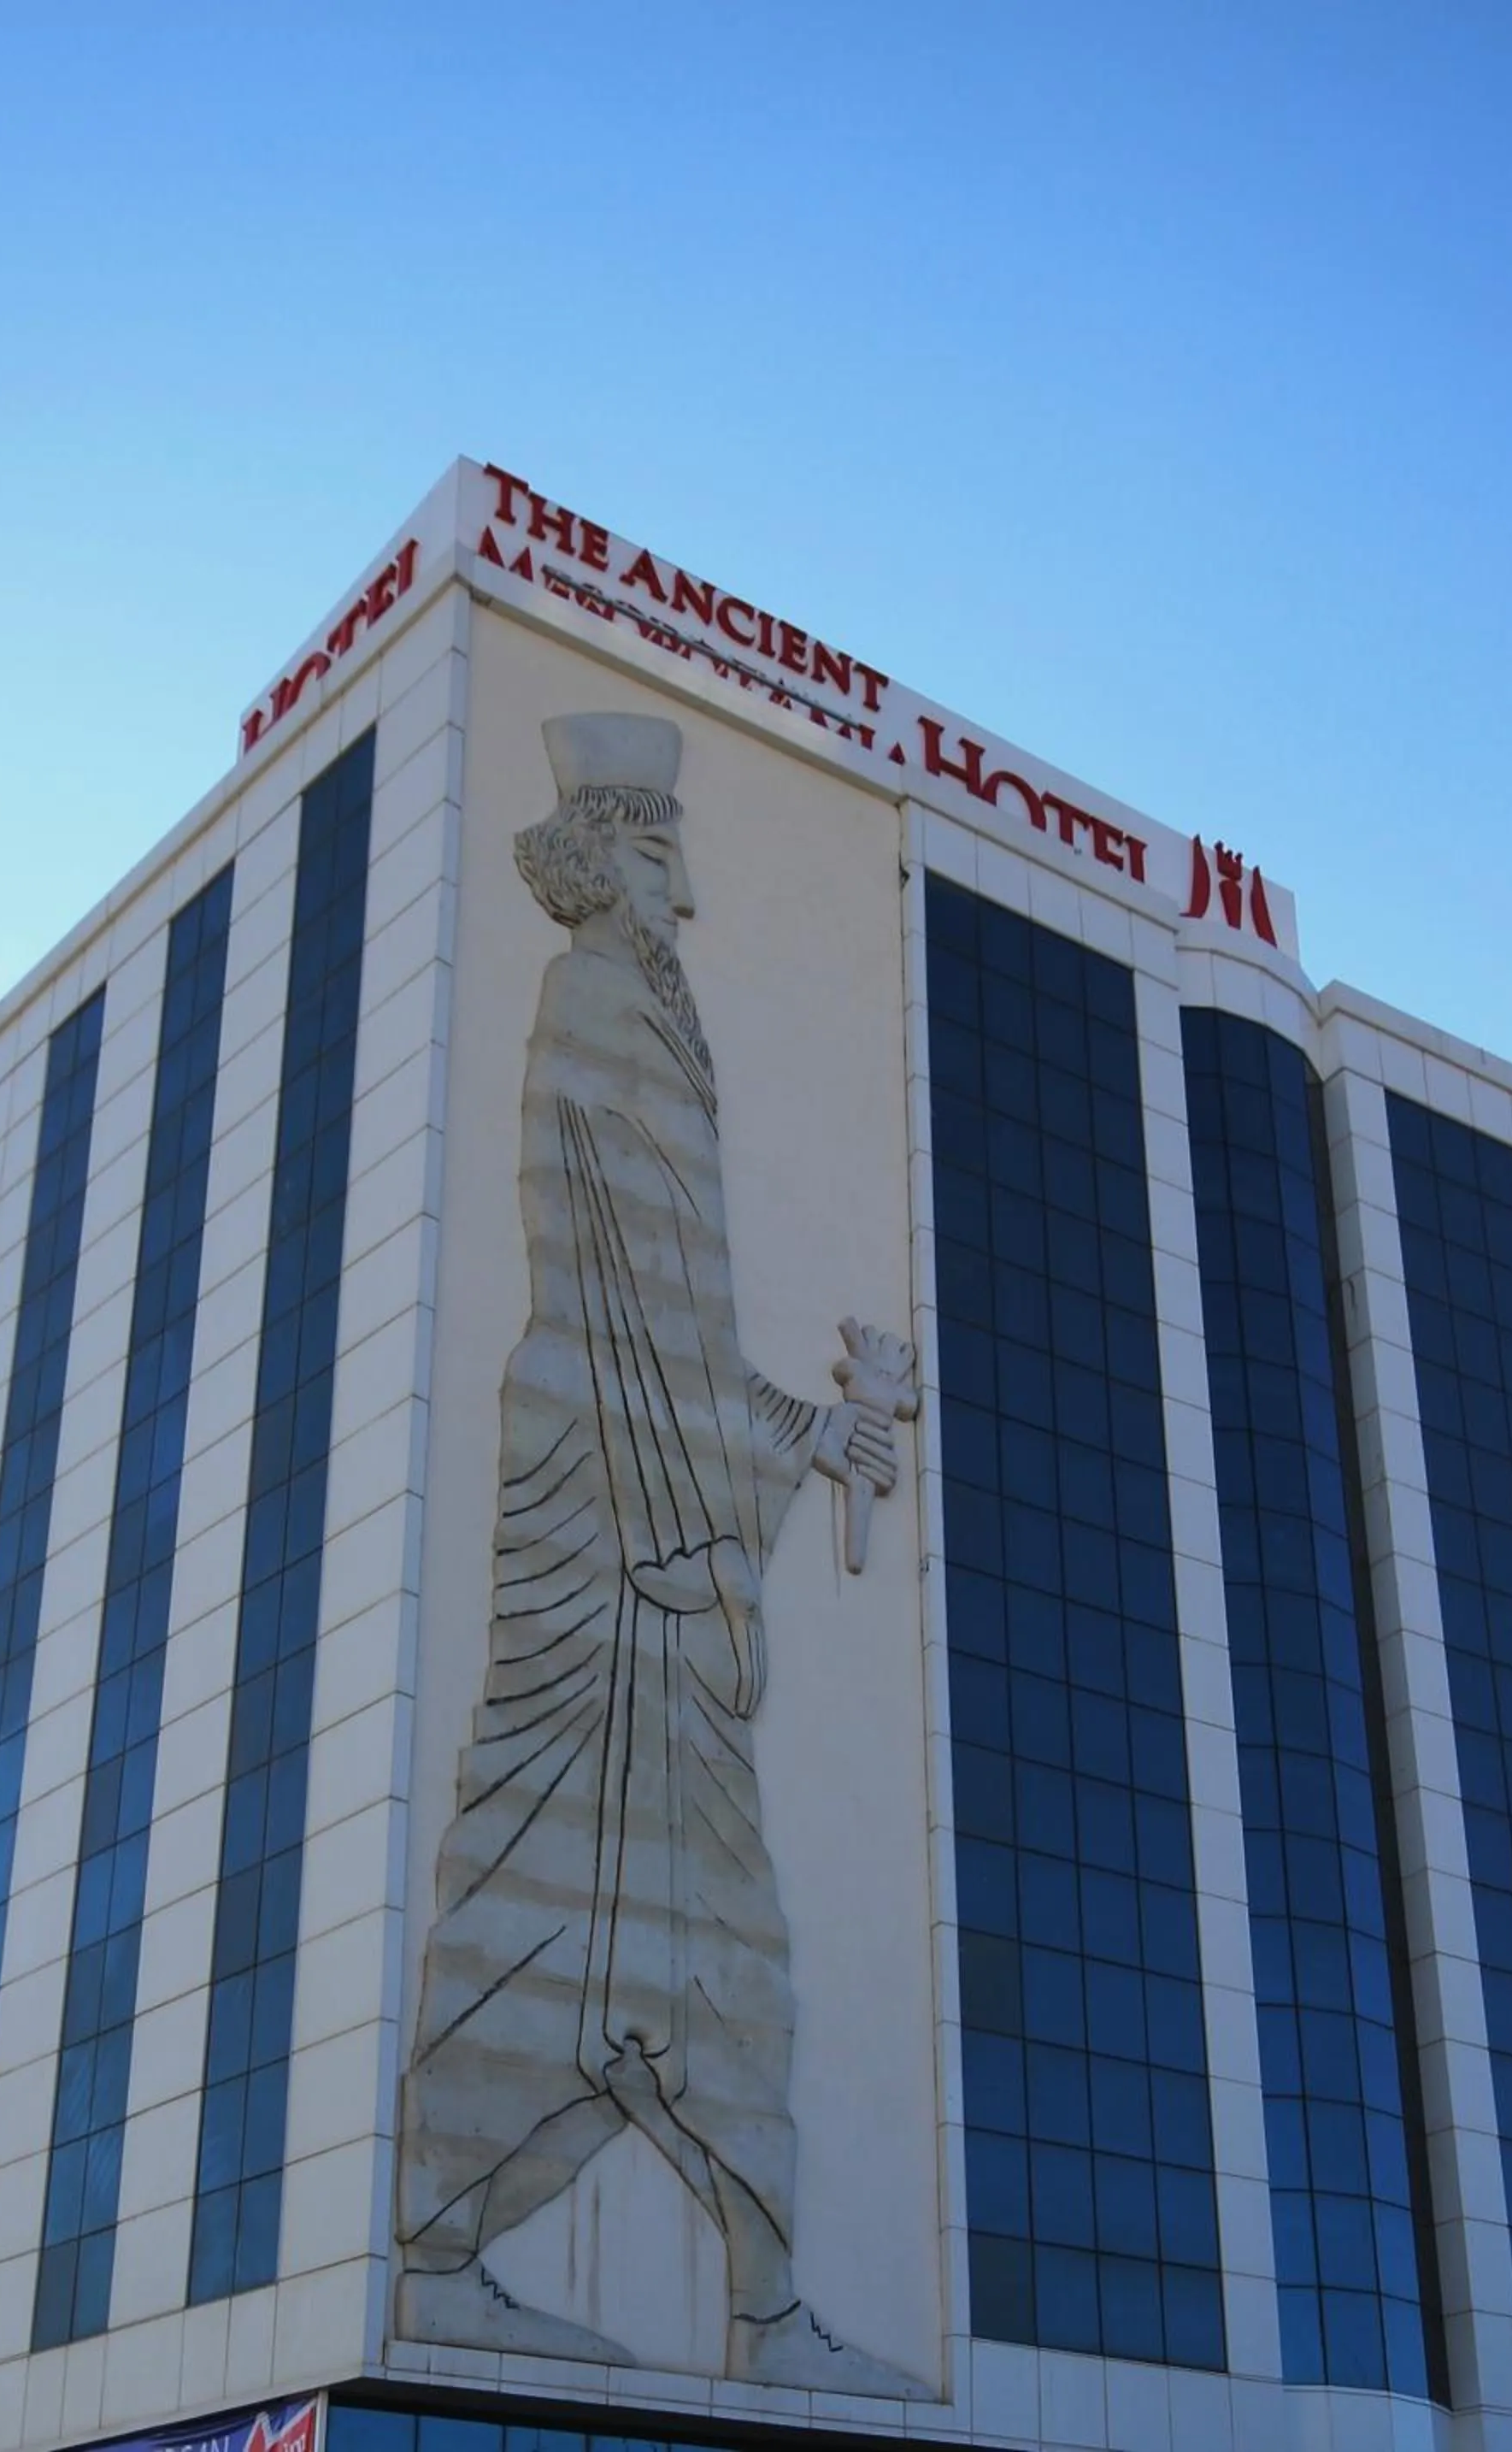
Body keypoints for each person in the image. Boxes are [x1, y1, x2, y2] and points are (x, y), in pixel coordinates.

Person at [395, 713, 913, 2393]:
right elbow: (617, 1316)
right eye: (665, 855)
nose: (690, 891)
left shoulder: (642, 1016)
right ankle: (444, 2260)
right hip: (612, 1530)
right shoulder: (591, 1010)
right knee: (550, 1905)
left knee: (715, 1940)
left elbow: (680, 1324)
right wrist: (695, 1527)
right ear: (611, 859)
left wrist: (803, 1435)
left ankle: (757, 2303)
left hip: (651, 1497)